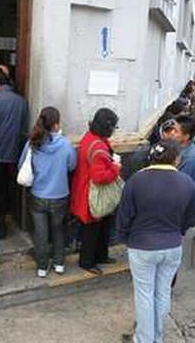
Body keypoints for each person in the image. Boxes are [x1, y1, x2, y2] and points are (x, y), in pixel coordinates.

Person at [117, 140, 195, 343]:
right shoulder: (187, 182)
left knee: (144, 293)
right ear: (176, 159)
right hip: (172, 245)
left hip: (141, 245)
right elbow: (192, 218)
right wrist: (178, 231)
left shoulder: (136, 180)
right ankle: (157, 337)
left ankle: (144, 339)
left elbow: (124, 216)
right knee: (162, 292)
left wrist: (125, 237)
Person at [18, 107, 77, 277]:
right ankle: (59, 264)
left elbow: (22, 165)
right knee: (58, 231)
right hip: (60, 196)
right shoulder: (65, 144)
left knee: (40, 233)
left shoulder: (33, 143)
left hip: (38, 196)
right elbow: (72, 166)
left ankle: (42, 267)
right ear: (57, 124)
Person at [71, 108, 121, 275]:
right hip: (92, 194)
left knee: (102, 226)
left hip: (84, 189)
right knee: (91, 230)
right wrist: (115, 168)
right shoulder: (99, 146)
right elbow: (99, 177)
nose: (114, 130)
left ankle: (101, 256)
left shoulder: (90, 137)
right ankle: (87, 262)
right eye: (113, 126)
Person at [0, 67, 29, 239]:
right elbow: (24, 129)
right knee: (10, 189)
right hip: (15, 155)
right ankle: (10, 219)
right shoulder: (21, 101)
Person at [166, 115, 195, 205]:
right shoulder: (175, 146)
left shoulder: (190, 157)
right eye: (172, 129)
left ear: (186, 136)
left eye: (176, 131)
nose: (171, 133)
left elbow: (182, 186)